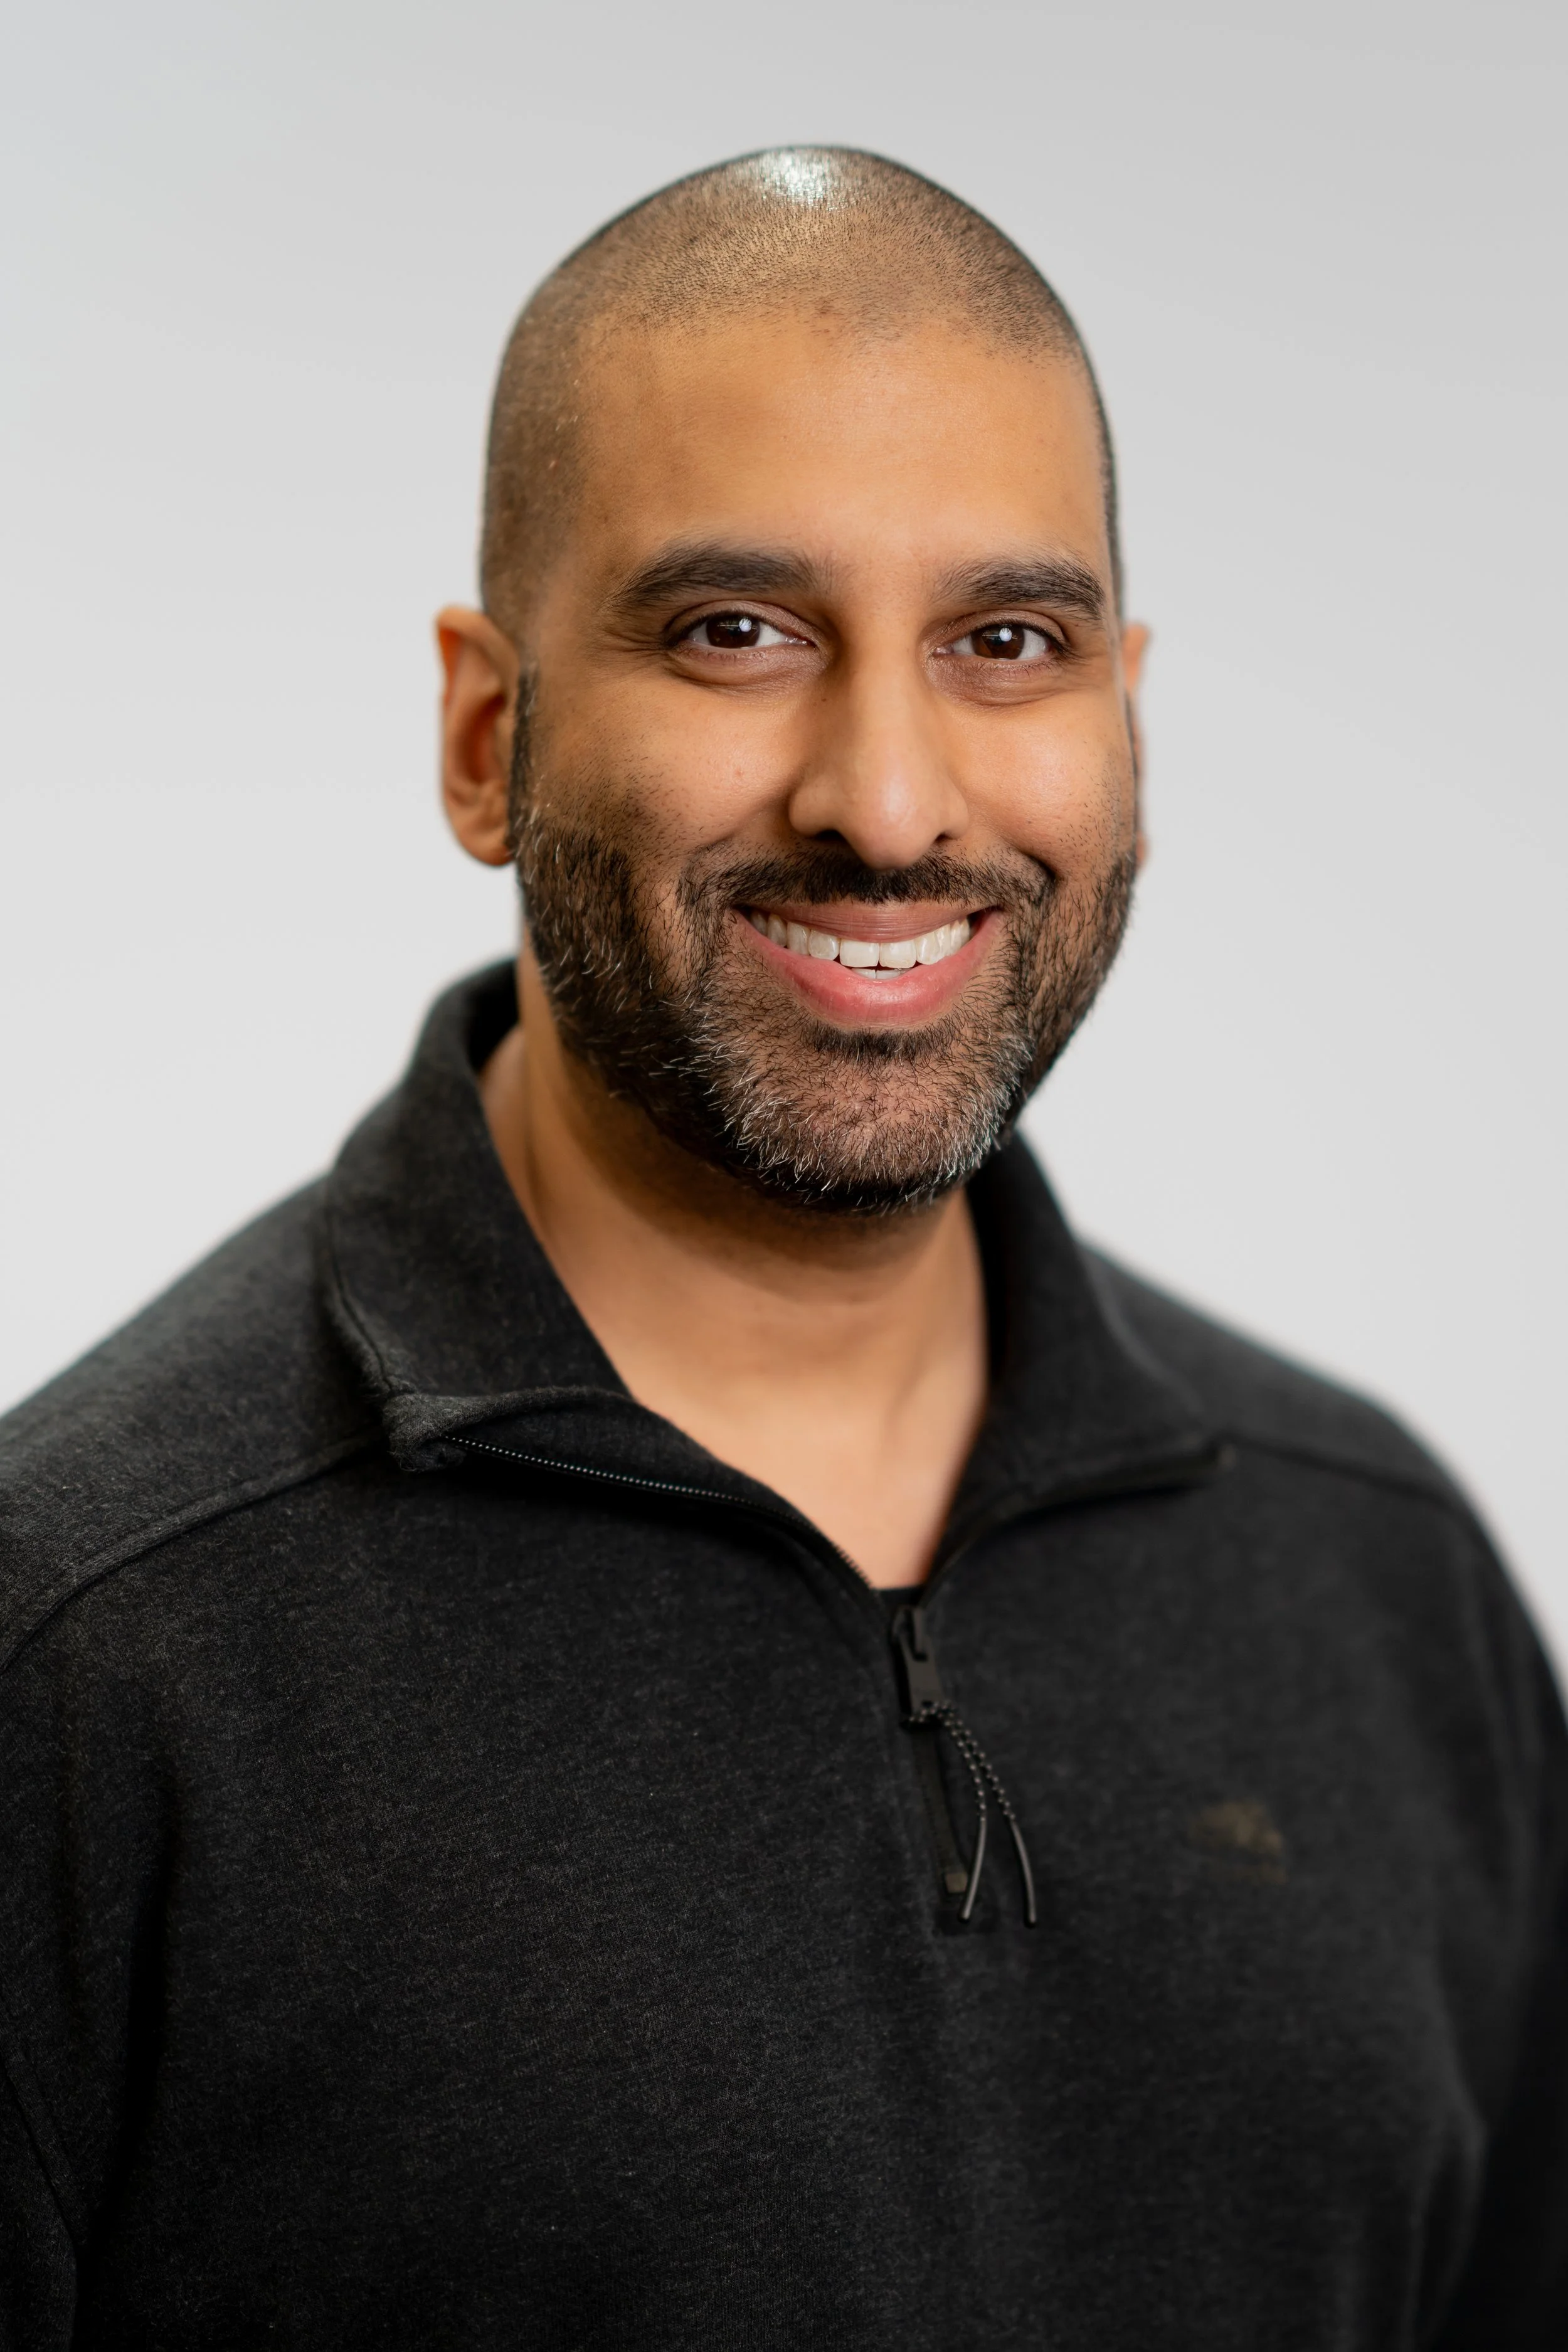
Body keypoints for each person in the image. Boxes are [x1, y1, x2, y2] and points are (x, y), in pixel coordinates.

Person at [0, 148, 1562, 2350]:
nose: (893, 797)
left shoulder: (1382, 1584)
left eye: (1004, 643)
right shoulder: (82, 1650)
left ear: (1124, 706)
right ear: (484, 731)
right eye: (736, 633)